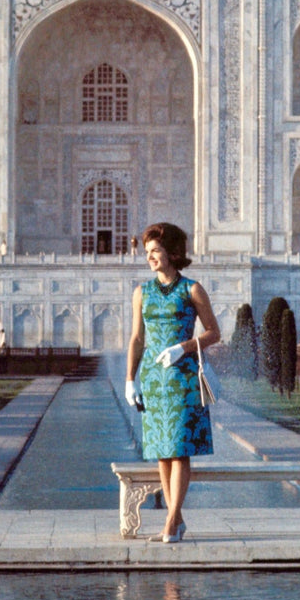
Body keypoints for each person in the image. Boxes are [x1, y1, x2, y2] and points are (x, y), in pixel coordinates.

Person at [125, 222, 220, 543]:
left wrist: (184, 347)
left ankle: (170, 522)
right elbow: (137, 339)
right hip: (154, 379)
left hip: (183, 377)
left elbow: (214, 333)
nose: (149, 257)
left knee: (179, 450)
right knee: (163, 453)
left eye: (155, 251)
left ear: (173, 253)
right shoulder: (142, 292)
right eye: (147, 252)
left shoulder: (191, 289)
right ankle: (175, 521)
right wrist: (130, 379)